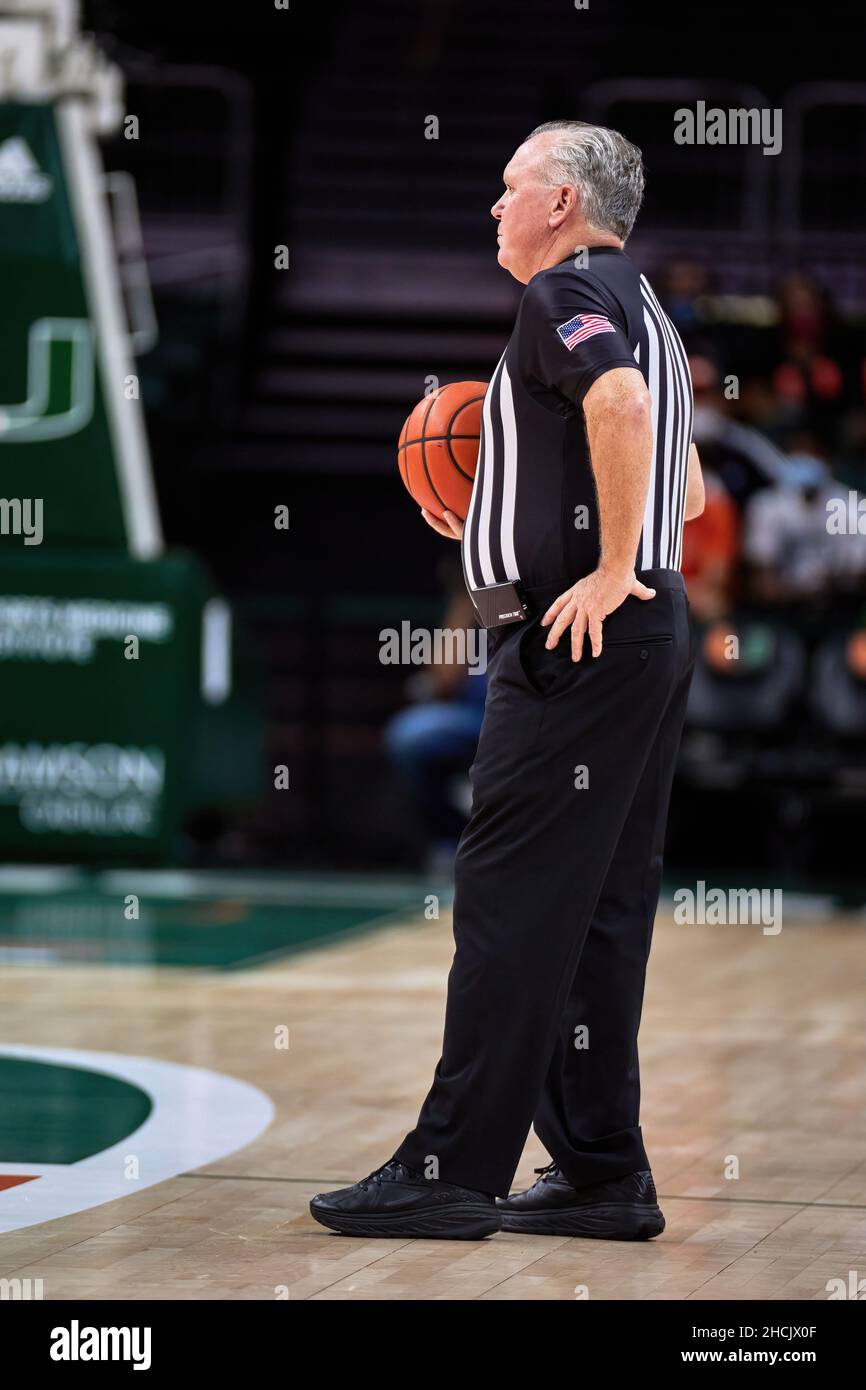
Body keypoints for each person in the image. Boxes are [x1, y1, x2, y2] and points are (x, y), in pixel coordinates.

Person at [312, 120, 704, 1240]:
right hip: (640, 640)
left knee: (509, 903)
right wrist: (495, 505)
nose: (493, 207)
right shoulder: (652, 313)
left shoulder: (562, 295)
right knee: (595, 913)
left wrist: (608, 565)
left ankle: (448, 1165)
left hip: (580, 644)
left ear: (562, 203)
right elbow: (684, 485)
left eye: (508, 187)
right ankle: (598, 1172)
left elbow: (617, 413)